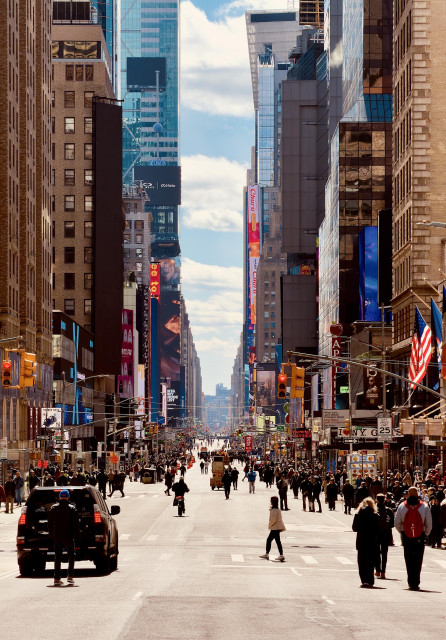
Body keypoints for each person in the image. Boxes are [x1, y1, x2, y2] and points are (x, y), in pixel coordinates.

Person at [395, 486, 432, 590]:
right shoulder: (424, 506)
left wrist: (402, 532)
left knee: (408, 559)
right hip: (420, 536)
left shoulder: (402, 506)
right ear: (417, 494)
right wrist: (425, 533)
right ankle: (416, 582)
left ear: (408, 494)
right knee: (418, 559)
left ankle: (410, 582)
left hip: (406, 536)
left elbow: (397, 522)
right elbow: (429, 522)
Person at [48, 489, 79, 586]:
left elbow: (50, 523)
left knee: (57, 557)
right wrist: (76, 535)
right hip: (68, 536)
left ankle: (56, 578)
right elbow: (75, 524)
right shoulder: (72, 508)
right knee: (71, 555)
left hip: (57, 536)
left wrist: (51, 534)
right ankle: (70, 576)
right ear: (68, 497)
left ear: (60, 497)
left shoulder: (53, 508)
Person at [352, 497, 380, 588]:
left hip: (361, 541)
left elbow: (354, 528)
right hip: (372, 541)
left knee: (361, 561)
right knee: (370, 561)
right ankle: (370, 580)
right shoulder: (375, 515)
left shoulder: (358, 515)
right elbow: (378, 529)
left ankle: (364, 580)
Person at [259, 496, 286, 561]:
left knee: (269, 540)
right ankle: (280, 554)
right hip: (277, 527)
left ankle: (268, 554)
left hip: (275, 528)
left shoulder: (274, 510)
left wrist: (269, 525)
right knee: (277, 541)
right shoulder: (277, 509)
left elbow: (273, 520)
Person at [375, 494, 394, 579]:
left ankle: (377, 570)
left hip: (376, 534)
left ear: (377, 500)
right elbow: (392, 524)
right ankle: (383, 572)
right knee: (384, 553)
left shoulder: (374, 510)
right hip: (386, 533)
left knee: (376, 552)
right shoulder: (389, 510)